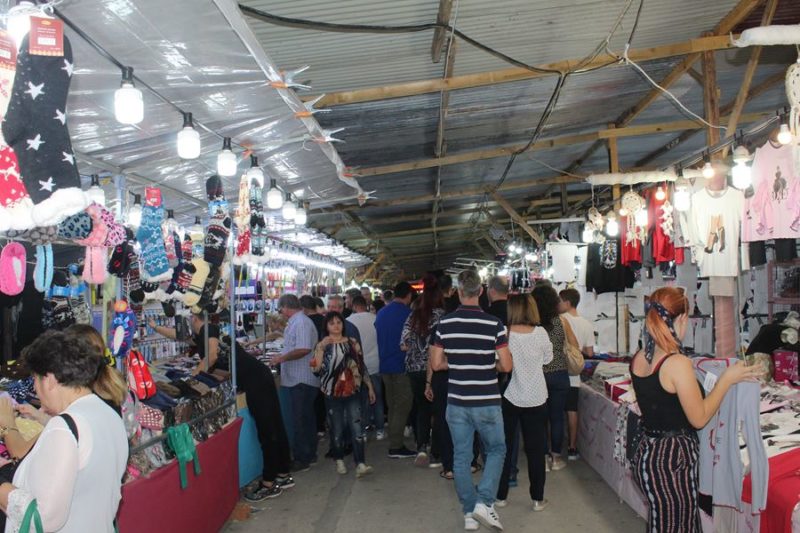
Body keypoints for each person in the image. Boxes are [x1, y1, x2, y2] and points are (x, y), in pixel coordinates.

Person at [630, 287, 758, 532]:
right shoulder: (676, 363)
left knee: (665, 521)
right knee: (676, 525)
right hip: (671, 459)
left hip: (649, 451)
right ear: (681, 319)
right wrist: (726, 380)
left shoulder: (640, 357)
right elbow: (699, 418)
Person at [150, 312, 294, 500]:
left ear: (194, 318)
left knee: (268, 430)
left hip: (256, 381)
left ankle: (269, 483)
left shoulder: (209, 329)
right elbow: (178, 335)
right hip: (257, 377)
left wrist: (191, 379)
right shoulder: (202, 336)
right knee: (274, 425)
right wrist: (154, 327)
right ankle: (283, 473)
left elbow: (211, 356)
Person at [0, 330, 127, 532]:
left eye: (35, 379)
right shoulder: (107, 414)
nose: (35, 388)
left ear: (49, 380)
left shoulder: (65, 427)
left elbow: (43, 518)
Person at [430, 269, 512, 531]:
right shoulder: (494, 325)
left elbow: (436, 363)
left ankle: (469, 512)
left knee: (461, 457)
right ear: (481, 291)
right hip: (487, 399)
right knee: (496, 450)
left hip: (457, 401)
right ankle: (484, 502)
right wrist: (489, 365)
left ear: (458, 291)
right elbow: (506, 365)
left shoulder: (444, 324)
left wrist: (456, 363)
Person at [495, 294, 553, 511]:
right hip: (537, 396)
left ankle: (500, 496)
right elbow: (548, 359)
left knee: (505, 448)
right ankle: (537, 499)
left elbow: (498, 362)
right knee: (535, 450)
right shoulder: (541, 333)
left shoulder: (505, 332)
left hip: (511, 396)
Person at [311, 312, 376, 478]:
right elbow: (315, 369)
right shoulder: (323, 345)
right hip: (332, 393)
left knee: (357, 428)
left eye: (338, 322)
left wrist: (369, 386)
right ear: (326, 326)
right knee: (337, 429)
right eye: (332, 323)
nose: (336, 326)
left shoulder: (352, 342)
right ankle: (339, 458)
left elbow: (361, 366)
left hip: (352, 391)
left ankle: (360, 463)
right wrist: (320, 348)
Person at [401, 274, 444, 466]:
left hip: (414, 368)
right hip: (436, 367)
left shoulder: (413, 316)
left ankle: (421, 448)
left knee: (421, 408)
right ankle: (436, 453)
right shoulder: (443, 316)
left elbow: (403, 344)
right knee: (438, 409)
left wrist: (417, 349)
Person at [273, 294, 319, 472]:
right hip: (298, 379)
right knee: (305, 418)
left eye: (281, 309)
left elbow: (303, 349)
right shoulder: (297, 322)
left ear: (286, 307)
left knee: (301, 420)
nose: (281, 312)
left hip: (301, 379)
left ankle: (302, 458)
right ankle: (309, 453)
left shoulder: (301, 323)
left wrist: (282, 358)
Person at [532, 283, 571, 472]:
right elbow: (573, 345)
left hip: (538, 375)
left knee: (539, 419)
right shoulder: (561, 321)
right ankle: (556, 458)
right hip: (559, 374)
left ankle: (543, 457)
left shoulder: (532, 323)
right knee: (557, 418)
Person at [375, 281, 416, 459]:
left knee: (392, 405)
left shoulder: (382, 313)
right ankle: (396, 446)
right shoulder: (408, 314)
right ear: (408, 295)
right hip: (401, 365)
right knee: (403, 405)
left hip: (384, 365)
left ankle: (394, 438)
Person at [559, 288, 595, 460]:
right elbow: (590, 352)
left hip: (558, 371)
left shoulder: (559, 320)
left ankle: (553, 449)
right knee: (572, 410)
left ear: (567, 303)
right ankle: (572, 448)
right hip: (574, 374)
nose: (557, 304)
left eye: (559, 301)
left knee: (554, 412)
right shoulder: (586, 324)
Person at [347, 295, 384, 440]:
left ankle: (362, 430)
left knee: (360, 401)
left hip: (357, 366)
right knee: (377, 398)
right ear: (365, 305)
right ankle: (380, 429)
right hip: (375, 364)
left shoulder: (349, 322)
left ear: (354, 306)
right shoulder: (375, 318)